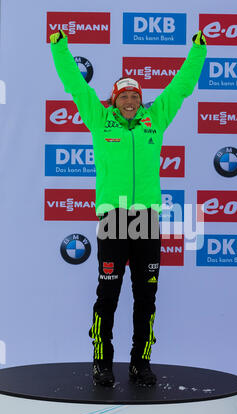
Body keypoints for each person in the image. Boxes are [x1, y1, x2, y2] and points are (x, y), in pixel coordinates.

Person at [50, 29, 207, 387]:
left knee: (146, 296)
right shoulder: (99, 119)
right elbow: (76, 85)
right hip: (113, 220)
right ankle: (102, 363)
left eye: (135, 95)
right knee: (108, 294)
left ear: (142, 99)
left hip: (147, 220)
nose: (131, 101)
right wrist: (60, 47)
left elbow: (180, 87)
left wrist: (197, 51)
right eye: (124, 96)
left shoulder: (156, 120)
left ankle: (140, 362)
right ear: (114, 99)